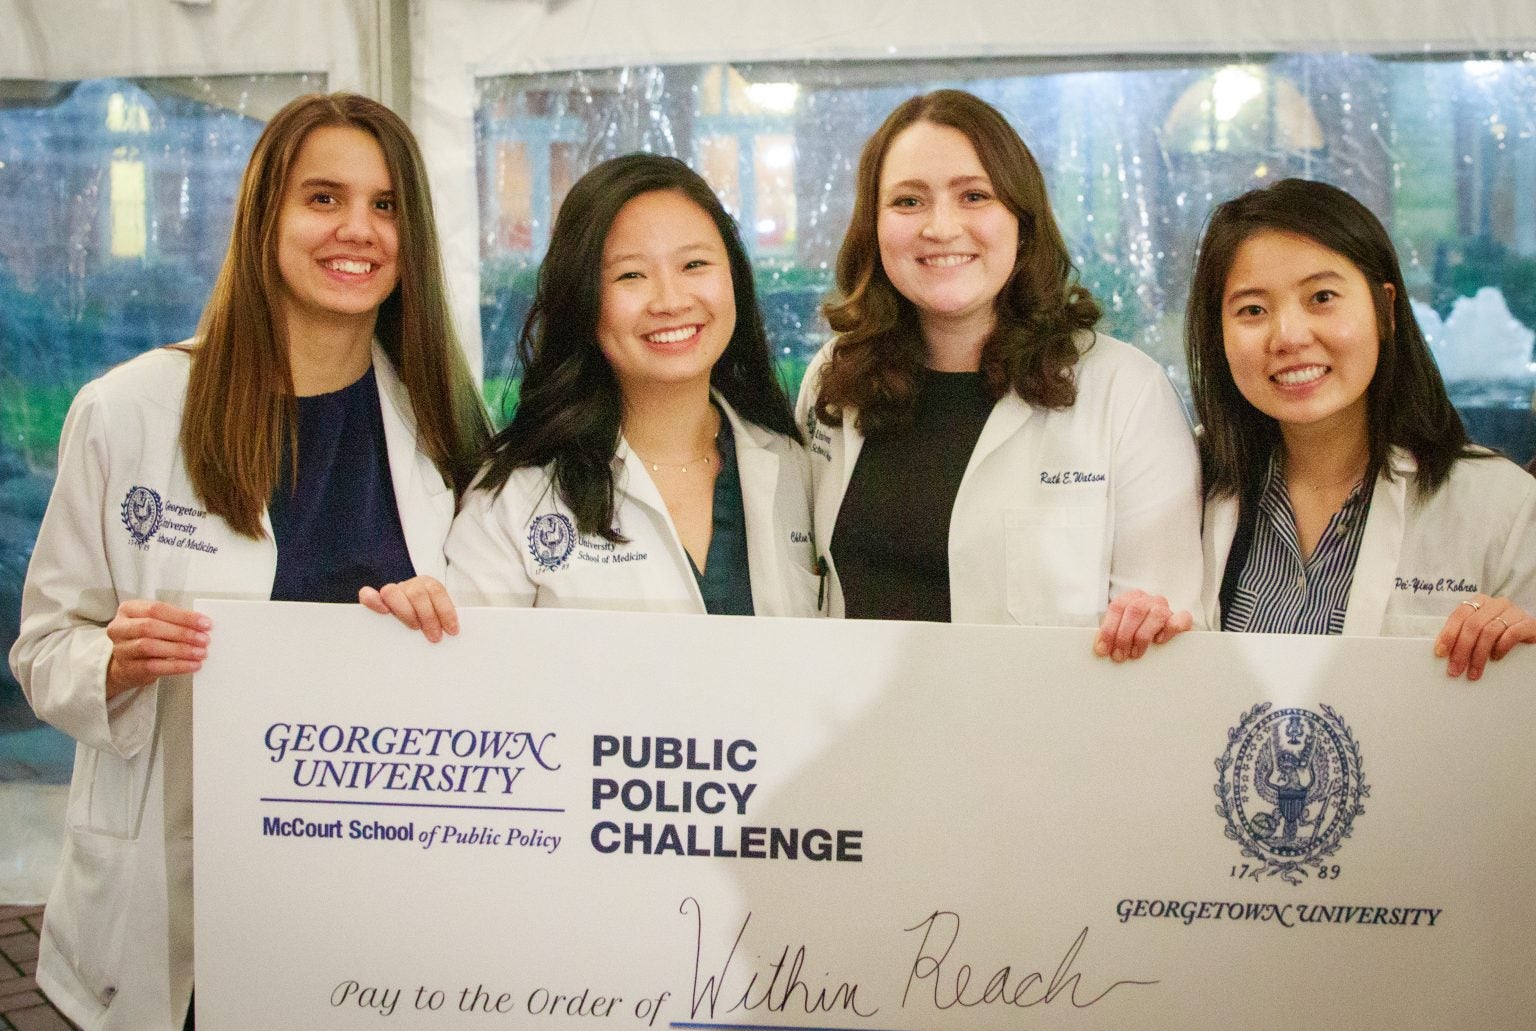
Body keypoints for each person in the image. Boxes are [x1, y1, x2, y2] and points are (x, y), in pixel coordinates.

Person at [9, 92, 488, 1031]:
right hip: (181, 911)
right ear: (264, 214)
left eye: (387, 205)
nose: (358, 229)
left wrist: (450, 629)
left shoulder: (448, 432)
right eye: (323, 197)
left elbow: (495, 671)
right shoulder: (129, 412)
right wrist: (114, 658)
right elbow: (43, 648)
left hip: (381, 908)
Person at [794, 89, 1203, 656]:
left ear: (1022, 218)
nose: (940, 227)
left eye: (974, 196)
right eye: (908, 201)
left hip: (1046, 739)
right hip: (859, 737)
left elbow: (1170, 635)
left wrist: (1151, 625)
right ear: (873, 225)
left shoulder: (1124, 391)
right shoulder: (834, 380)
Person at [367, 153, 817, 629]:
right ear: (583, 299)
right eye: (631, 275)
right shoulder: (517, 496)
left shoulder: (795, 468)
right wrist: (419, 626)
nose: (670, 300)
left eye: (695, 264)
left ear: (734, 279)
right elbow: (473, 684)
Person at [1187, 178, 1535, 679]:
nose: (1288, 337)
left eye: (1321, 296)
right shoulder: (1177, 486)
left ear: (1386, 308)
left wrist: (1520, 644)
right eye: (1253, 310)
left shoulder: (1503, 507)